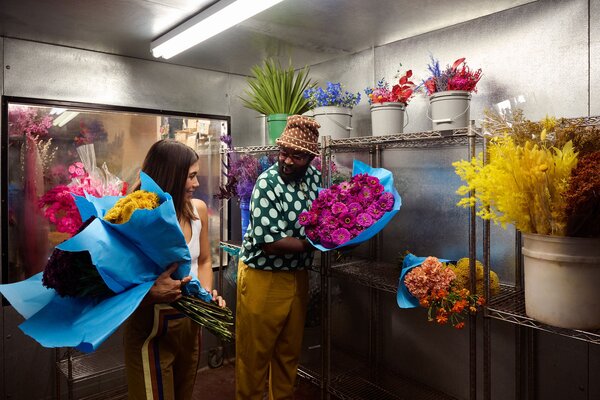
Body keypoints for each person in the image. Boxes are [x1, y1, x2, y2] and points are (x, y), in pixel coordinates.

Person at [123, 139, 226, 400]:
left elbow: (203, 260)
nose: (197, 184)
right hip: (150, 330)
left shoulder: (197, 210)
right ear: (171, 176)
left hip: (190, 324)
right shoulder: (134, 216)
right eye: (191, 176)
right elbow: (116, 282)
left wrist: (206, 298)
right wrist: (150, 293)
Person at [236, 115, 321, 400]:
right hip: (264, 277)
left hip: (297, 277)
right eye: (283, 152)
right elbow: (271, 244)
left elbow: (320, 217)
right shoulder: (267, 183)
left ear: (310, 157)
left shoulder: (312, 178)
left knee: (288, 354)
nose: (286, 160)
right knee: (255, 357)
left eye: (296, 156)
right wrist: (318, 243)